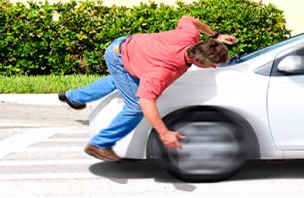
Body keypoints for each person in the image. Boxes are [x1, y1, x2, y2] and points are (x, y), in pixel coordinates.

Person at [58, 16, 237, 162]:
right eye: (212, 65)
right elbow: (146, 102)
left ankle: (73, 97)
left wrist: (215, 35)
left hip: (130, 47)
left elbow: (187, 19)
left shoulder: (189, 37)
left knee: (119, 81)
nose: (214, 68)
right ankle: (99, 144)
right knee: (135, 106)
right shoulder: (162, 71)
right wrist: (164, 133)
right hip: (120, 57)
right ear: (196, 60)